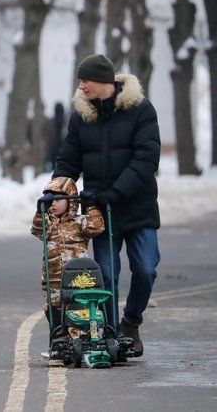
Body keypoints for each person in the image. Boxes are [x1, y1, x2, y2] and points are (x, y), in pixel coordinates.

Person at [50, 53, 160, 357]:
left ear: (103, 81)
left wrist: (117, 191)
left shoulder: (141, 110)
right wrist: (58, 191)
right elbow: (68, 161)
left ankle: (131, 322)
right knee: (106, 275)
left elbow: (146, 158)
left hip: (137, 207)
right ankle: (109, 335)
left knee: (146, 269)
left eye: (86, 80)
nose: (81, 86)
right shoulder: (81, 116)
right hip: (100, 210)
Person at [31, 176, 104, 340]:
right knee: (55, 310)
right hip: (54, 279)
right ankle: (58, 342)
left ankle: (82, 339)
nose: (53, 205)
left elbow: (96, 228)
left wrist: (90, 205)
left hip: (79, 279)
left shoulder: (79, 222)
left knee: (78, 310)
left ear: (70, 201)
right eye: (50, 201)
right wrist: (39, 211)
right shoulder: (49, 224)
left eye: (57, 200)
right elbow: (37, 230)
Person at [43, 102, 66, 173]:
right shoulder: (66, 120)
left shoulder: (51, 121)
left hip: (53, 145)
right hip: (62, 145)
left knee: (52, 163)